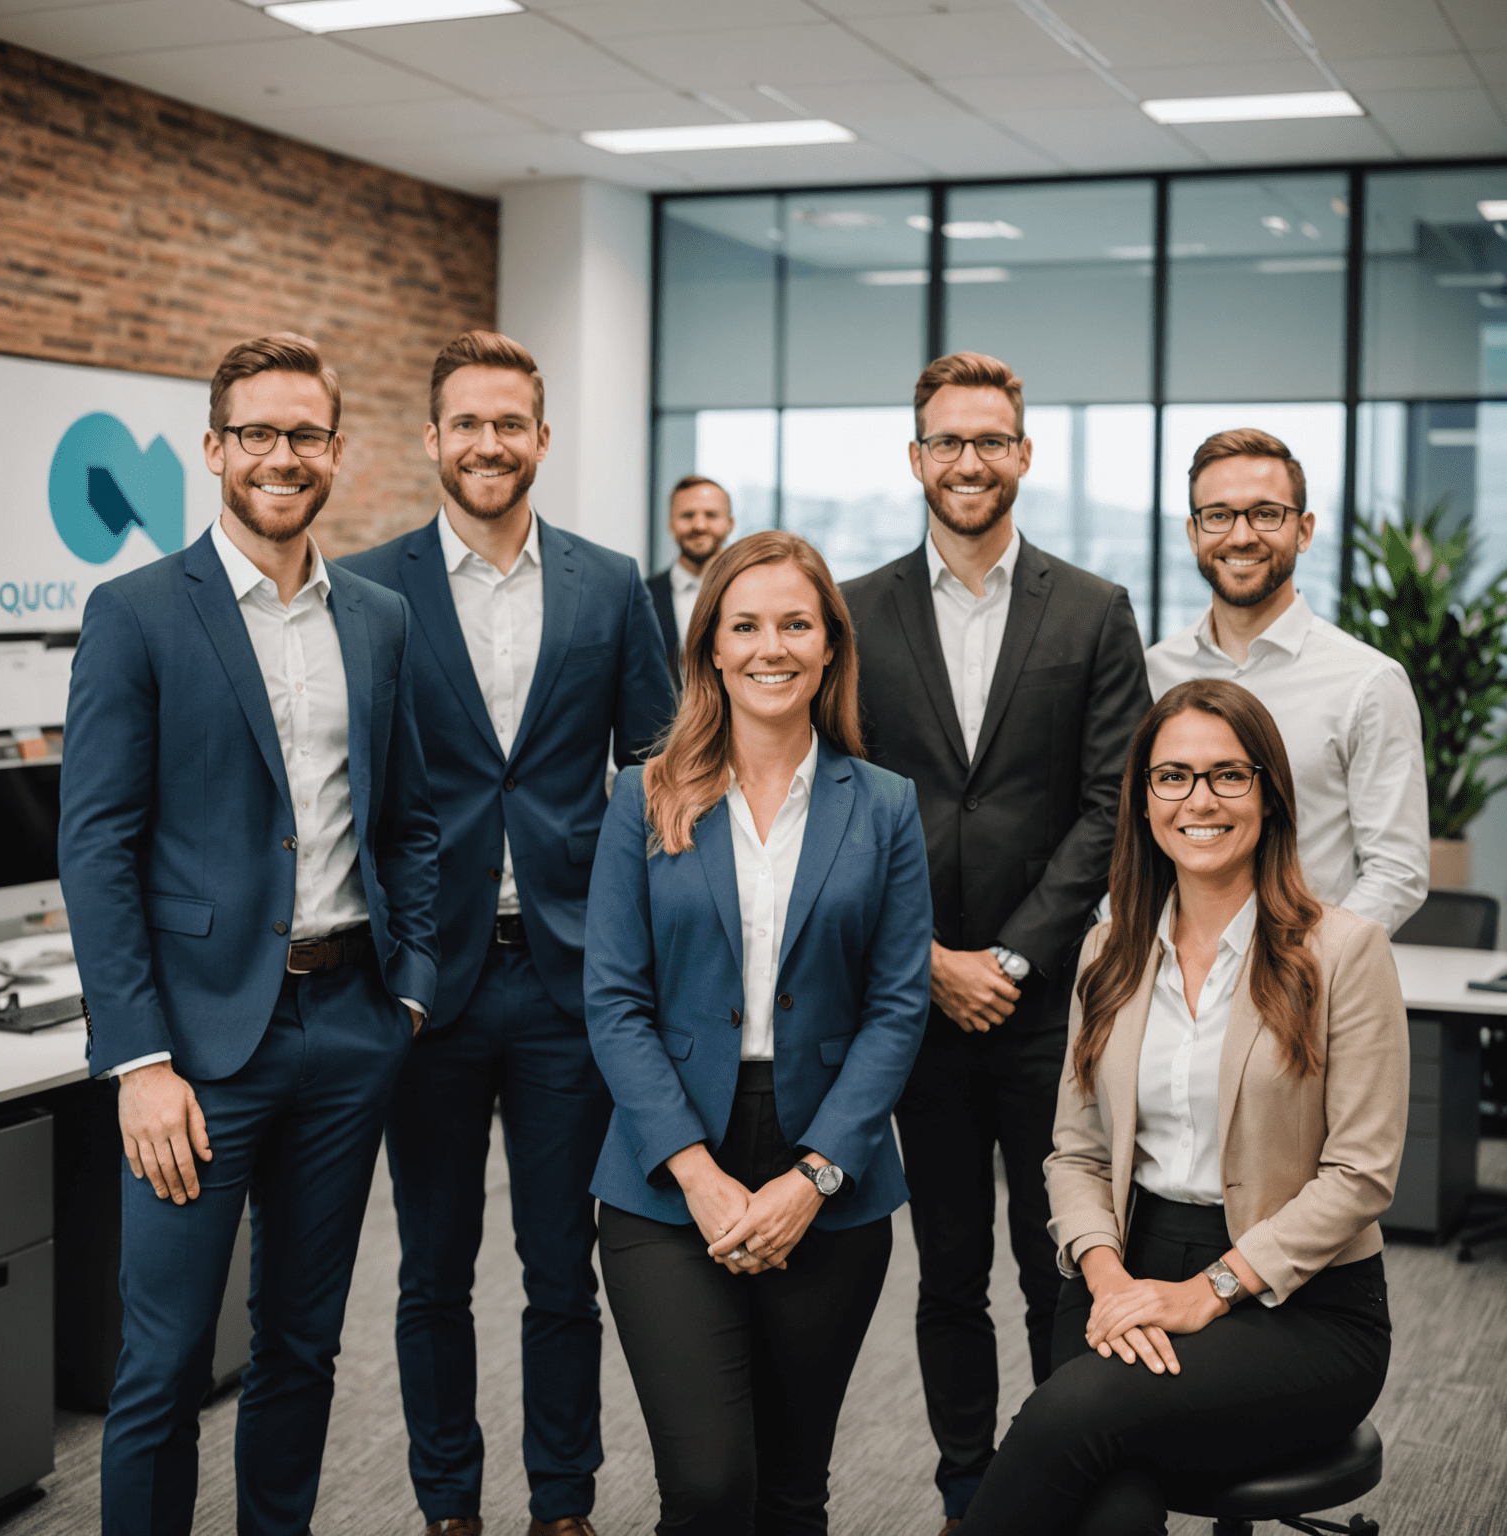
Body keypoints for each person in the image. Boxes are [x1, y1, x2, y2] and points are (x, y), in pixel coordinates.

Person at [60, 333, 440, 1536]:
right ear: (214, 449)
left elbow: (410, 821)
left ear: (336, 450)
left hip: (347, 1031)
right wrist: (138, 1060)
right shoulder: (135, 614)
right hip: (192, 1052)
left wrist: (409, 993)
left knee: (302, 1347)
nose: (283, 456)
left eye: (306, 435)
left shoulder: (376, 617)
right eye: (258, 435)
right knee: (165, 1365)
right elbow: (98, 848)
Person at [342, 329, 673, 1536]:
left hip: (564, 978)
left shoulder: (610, 583)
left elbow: (654, 767)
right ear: (432, 439)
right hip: (427, 982)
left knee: (556, 1270)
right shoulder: (365, 589)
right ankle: (445, 1504)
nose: (489, 444)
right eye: (466, 424)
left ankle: (562, 1502)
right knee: (430, 1270)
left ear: (541, 436)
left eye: (510, 423)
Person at [956, 676, 1409, 1536]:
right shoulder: (1108, 951)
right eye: (1173, 777)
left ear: (1269, 796)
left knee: (1070, 1420)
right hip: (1124, 1267)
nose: (1199, 800)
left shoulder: (1344, 952)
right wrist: (1107, 1277)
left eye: (1228, 775)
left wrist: (1210, 1290)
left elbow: (1361, 1174)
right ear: (1144, 800)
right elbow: (1075, 1153)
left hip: (1301, 1303)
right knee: (1110, 1508)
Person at [841, 351, 1153, 1530]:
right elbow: (837, 798)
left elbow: (1111, 804)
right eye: (947, 442)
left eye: (991, 441)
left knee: (1057, 1253)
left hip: (1050, 1007)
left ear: (1023, 454)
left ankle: (1061, 1472)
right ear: (916, 457)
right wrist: (926, 958)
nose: (969, 462)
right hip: (907, 1001)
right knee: (950, 1268)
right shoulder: (856, 610)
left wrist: (1014, 958)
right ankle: (968, 1482)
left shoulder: (1092, 608)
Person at [585, 530, 933, 1536]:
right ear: (710, 648)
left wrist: (815, 1175)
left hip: (830, 1171)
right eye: (745, 625)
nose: (770, 646)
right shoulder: (642, 795)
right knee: (705, 1488)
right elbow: (613, 999)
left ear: (830, 647)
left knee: (790, 1488)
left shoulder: (886, 806)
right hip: (664, 1173)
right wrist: (696, 1173)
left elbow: (898, 1002)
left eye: (795, 624)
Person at [1147, 427, 1427, 936]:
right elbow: (1129, 837)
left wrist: (1310, 963)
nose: (1241, 535)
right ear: (1193, 533)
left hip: (1307, 985)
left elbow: (1396, 871)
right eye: (1219, 516)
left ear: (1303, 530)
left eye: (1265, 513)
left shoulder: (1368, 682)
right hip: (1173, 983)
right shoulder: (1153, 674)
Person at [647, 473, 735, 687]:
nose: (699, 525)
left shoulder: (753, 591)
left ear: (730, 524)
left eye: (711, 515)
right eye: (687, 515)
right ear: (671, 523)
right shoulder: (642, 595)